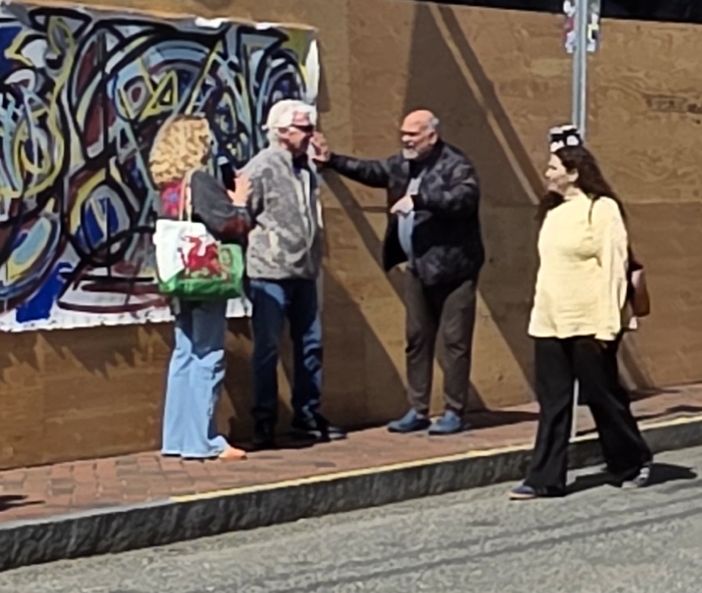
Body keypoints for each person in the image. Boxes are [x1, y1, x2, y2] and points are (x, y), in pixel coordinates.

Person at [516, 134, 659, 497]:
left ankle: (632, 459)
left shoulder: (602, 209)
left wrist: (609, 325)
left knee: (603, 396)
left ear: (574, 172)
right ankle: (544, 479)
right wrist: (539, 314)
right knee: (553, 404)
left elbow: (615, 266)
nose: (547, 174)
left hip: (590, 323)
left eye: (553, 168)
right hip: (550, 321)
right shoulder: (552, 212)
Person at [330, 106, 485, 432]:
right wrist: (331, 159)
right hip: (418, 267)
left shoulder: (456, 164)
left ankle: (454, 411)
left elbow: (464, 199)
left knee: (455, 341)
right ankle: (417, 409)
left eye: (413, 134)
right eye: (403, 133)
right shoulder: (403, 163)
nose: (406, 139)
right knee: (417, 339)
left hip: (455, 269)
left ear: (432, 135)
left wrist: (420, 199)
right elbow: (372, 171)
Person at [148, 114, 250, 461]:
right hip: (205, 277)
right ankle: (203, 440)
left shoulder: (169, 187)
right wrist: (240, 202)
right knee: (208, 352)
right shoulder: (200, 181)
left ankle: (176, 437)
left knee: (184, 352)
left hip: (178, 277)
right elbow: (229, 224)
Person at [234, 96, 331, 447]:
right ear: (281, 131)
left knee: (311, 344)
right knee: (268, 348)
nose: (310, 134)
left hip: (304, 270)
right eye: (303, 128)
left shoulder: (306, 168)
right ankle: (264, 420)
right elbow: (243, 215)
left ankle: (308, 413)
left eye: (310, 127)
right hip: (270, 272)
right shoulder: (261, 167)